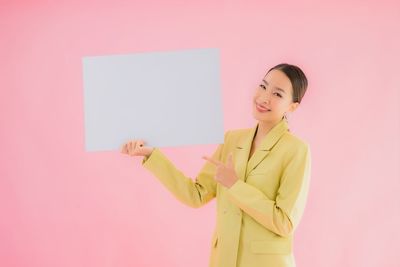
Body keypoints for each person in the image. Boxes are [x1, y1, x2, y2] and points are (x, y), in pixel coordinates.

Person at [121, 63, 311, 267]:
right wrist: (151, 155)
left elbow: (284, 222)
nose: (264, 97)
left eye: (277, 94)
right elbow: (196, 195)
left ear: (293, 106)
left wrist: (235, 186)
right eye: (263, 86)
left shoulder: (296, 150)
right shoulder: (232, 140)